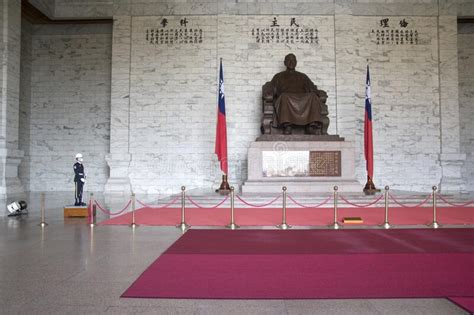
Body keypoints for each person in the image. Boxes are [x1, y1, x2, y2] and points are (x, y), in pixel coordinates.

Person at [271, 53, 327, 135]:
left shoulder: (303, 76)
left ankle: (311, 125)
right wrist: (268, 92)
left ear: (296, 62)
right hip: (286, 98)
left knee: (312, 96)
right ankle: (287, 125)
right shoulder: (278, 76)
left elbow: (312, 88)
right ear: (285, 63)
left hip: (302, 99)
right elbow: (272, 88)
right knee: (284, 96)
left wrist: (319, 93)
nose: (291, 62)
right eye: (289, 60)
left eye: (293, 60)